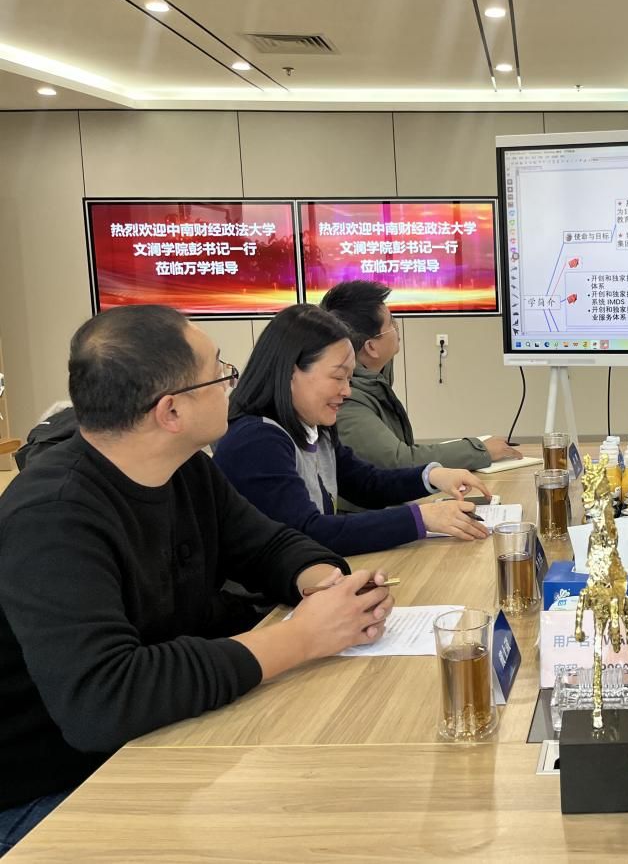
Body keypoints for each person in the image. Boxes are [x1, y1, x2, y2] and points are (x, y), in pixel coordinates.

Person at [0, 306, 396, 854]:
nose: (232, 382)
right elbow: (104, 699)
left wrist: (324, 584)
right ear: (171, 410)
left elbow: (270, 545)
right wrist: (302, 637)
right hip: (51, 788)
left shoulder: (185, 468)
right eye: (218, 372)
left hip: (157, 738)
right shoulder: (53, 516)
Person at [214, 305, 491, 555]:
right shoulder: (256, 441)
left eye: (349, 378)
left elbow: (365, 483)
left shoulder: (313, 427)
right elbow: (309, 532)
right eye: (338, 377)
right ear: (290, 372)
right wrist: (421, 518)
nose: (346, 391)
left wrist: (431, 476)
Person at [319, 280, 522, 495]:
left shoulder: (372, 377)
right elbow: (400, 461)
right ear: (371, 347)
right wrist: (479, 451)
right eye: (391, 323)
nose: (397, 328)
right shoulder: (348, 399)